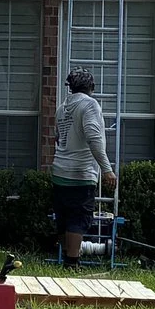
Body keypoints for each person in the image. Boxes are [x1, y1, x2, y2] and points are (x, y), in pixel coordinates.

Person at [50, 68, 116, 267]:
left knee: (64, 217)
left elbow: (57, 137)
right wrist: (107, 169)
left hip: (59, 170)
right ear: (92, 87)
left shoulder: (62, 108)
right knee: (78, 218)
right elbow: (94, 138)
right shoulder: (89, 105)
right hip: (81, 172)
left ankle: (67, 258)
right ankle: (72, 262)